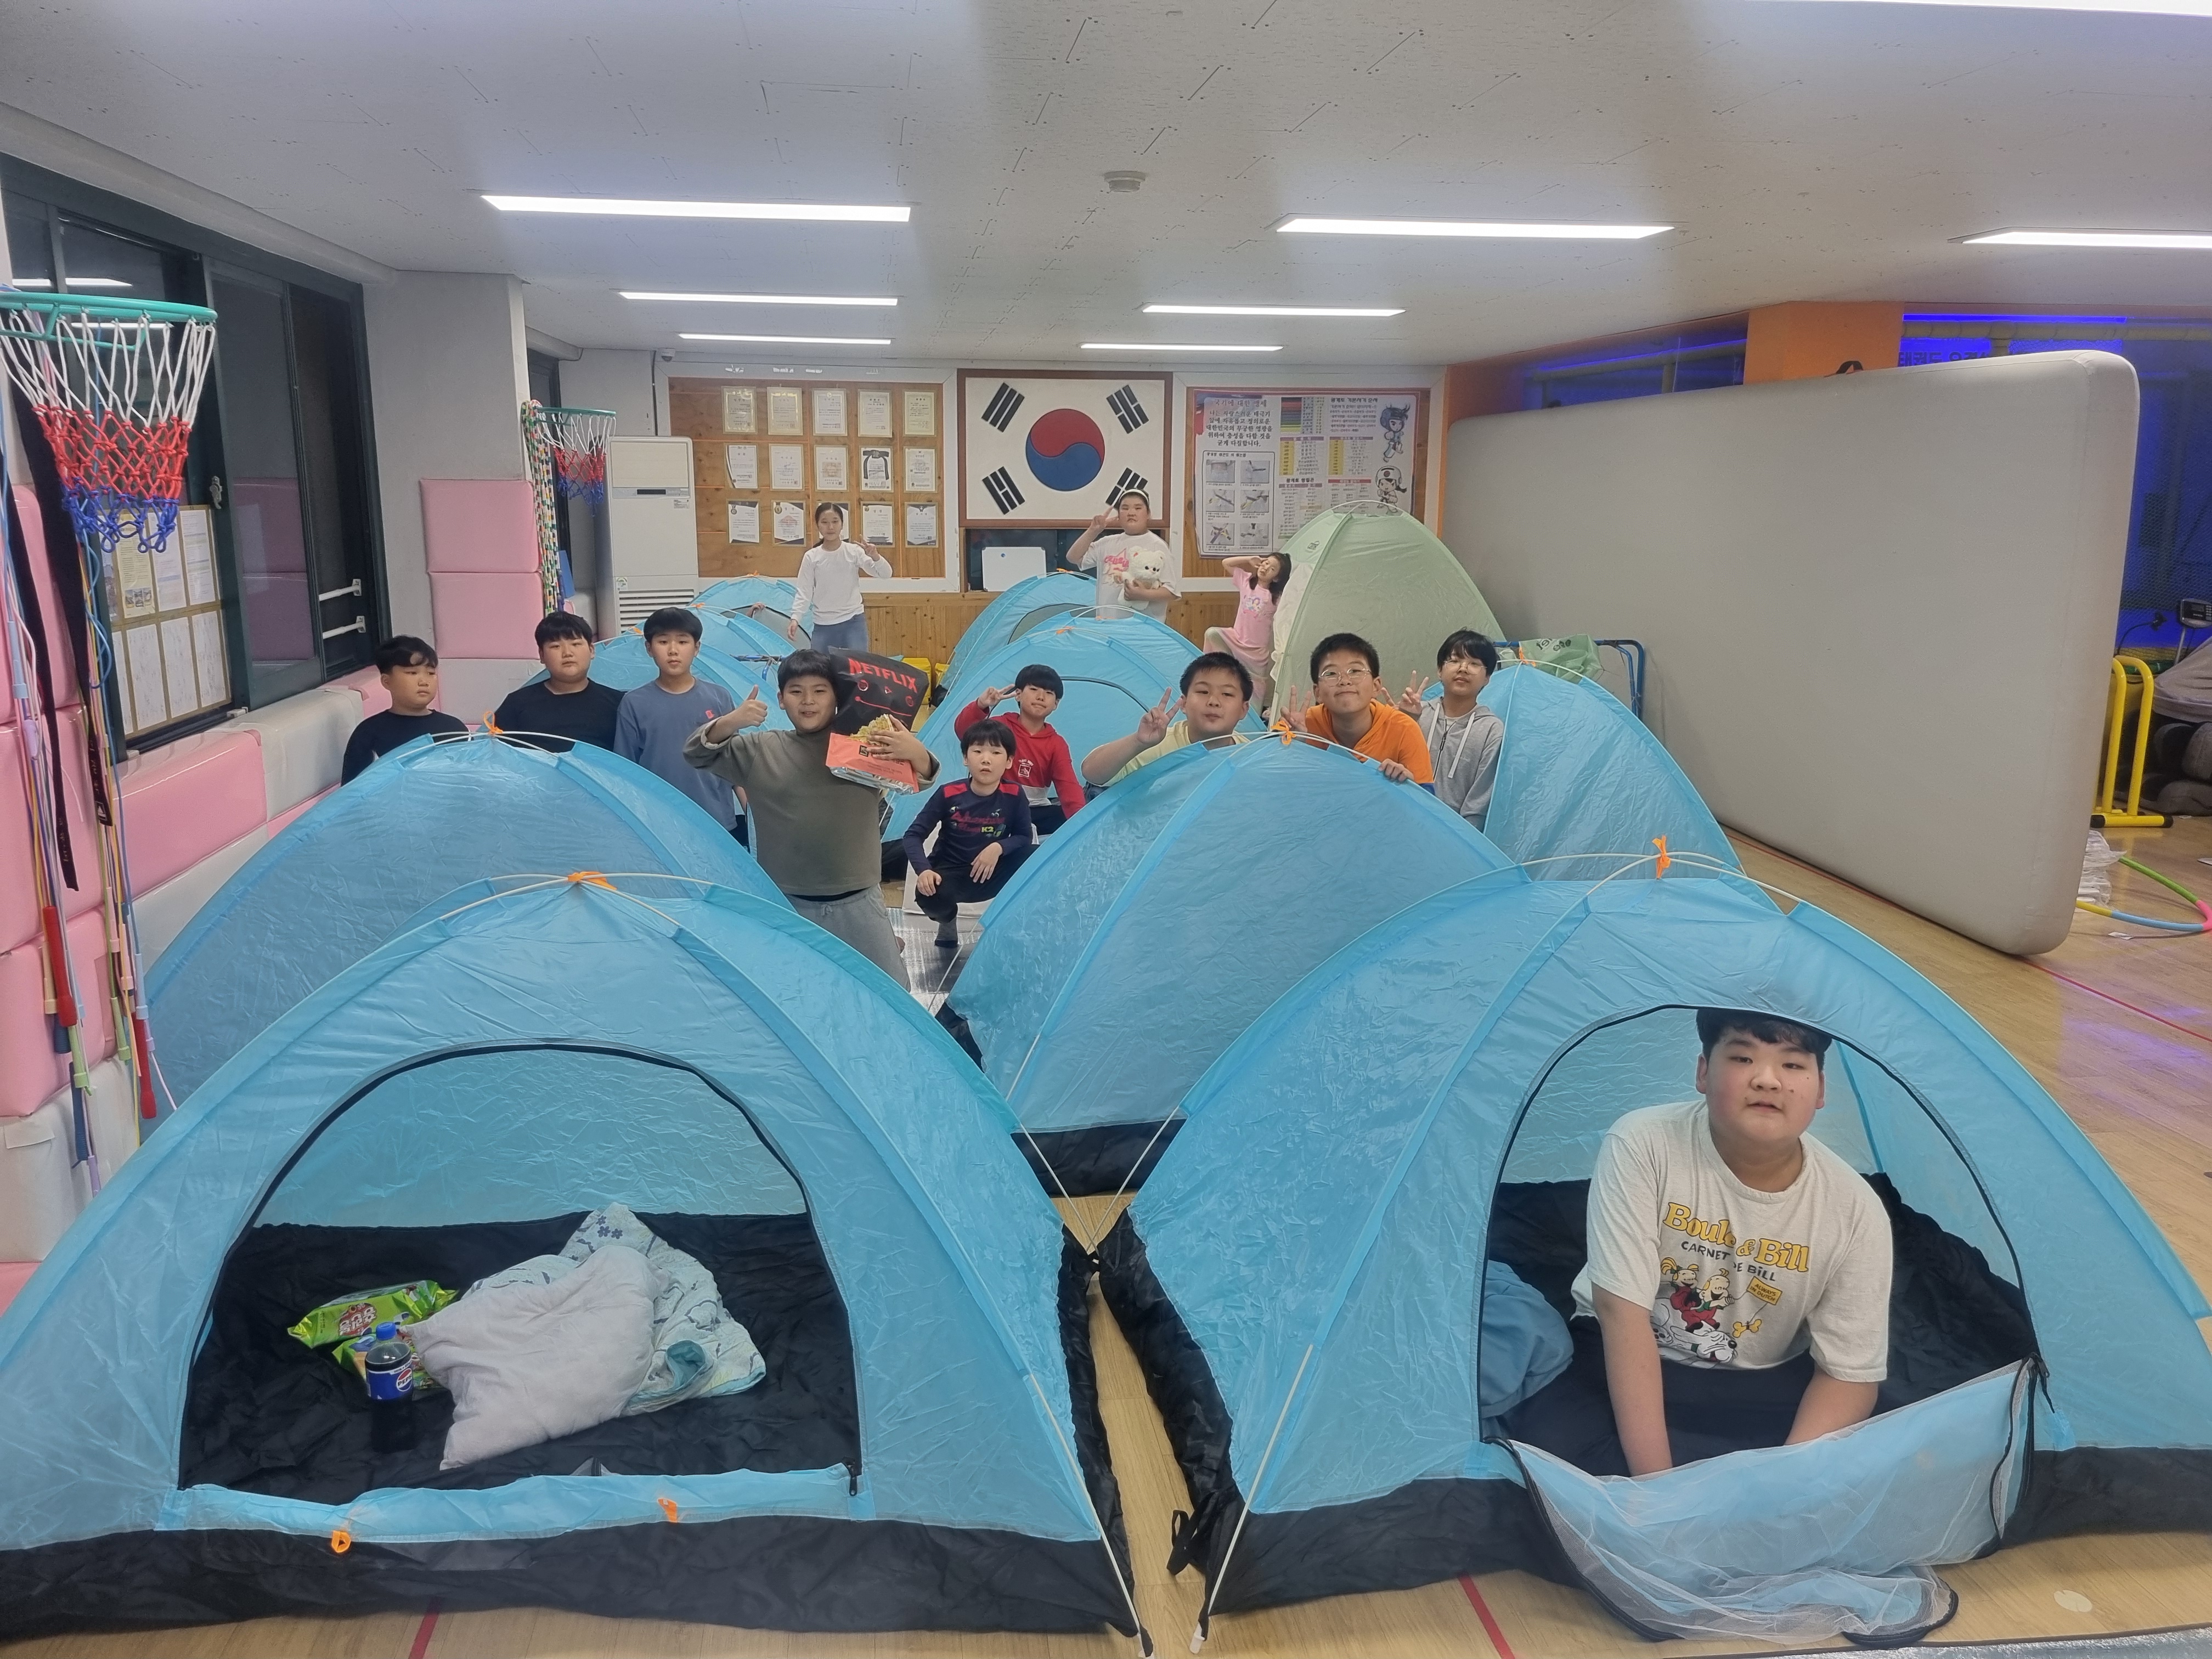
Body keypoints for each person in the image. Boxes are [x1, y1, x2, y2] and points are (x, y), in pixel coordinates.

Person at [1502, 1010, 1893, 1477]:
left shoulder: (1854, 1208)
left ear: (1821, 1090)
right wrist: (1655, 1490)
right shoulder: (1644, 1144)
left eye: (1793, 1065)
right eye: (1743, 1058)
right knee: (1547, 1457)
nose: (1767, 1080)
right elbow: (1622, 1316)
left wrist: (1780, 1489)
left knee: (1875, 1462)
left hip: (1760, 1381)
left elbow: (1849, 1374)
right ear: (1703, 1073)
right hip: (1624, 1358)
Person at [685, 648, 938, 981]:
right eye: (796, 692)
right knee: (796, 990)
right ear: (781, 699)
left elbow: (924, 776)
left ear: (838, 698)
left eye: (820, 691)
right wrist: (732, 721)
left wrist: (916, 751)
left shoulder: (860, 746)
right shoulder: (761, 749)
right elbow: (696, 753)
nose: (808, 701)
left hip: (859, 901)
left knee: (889, 990)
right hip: (788, 902)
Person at [901, 716, 1034, 949]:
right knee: (927, 895)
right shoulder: (949, 793)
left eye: (996, 753)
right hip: (951, 875)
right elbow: (913, 836)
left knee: (1037, 857)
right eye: (978, 751)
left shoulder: (1015, 794)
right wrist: (924, 871)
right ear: (965, 758)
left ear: (1009, 761)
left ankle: (1015, 925)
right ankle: (948, 921)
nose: (986, 759)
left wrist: (998, 848)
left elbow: (1024, 836)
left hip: (991, 871)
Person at [616, 608, 741, 839]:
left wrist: (752, 813)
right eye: (663, 642)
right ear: (649, 648)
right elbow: (625, 770)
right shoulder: (634, 703)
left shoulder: (719, 697)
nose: (673, 650)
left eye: (683, 642)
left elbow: (735, 763)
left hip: (715, 819)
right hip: (657, 822)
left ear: (697, 648)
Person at [1081, 652, 1255, 786]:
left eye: (1227, 694)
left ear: (1243, 709)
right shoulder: (1159, 745)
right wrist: (1138, 742)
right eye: (1203, 691)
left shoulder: (1250, 754)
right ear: (1184, 703)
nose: (1213, 702)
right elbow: (1091, 773)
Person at [1282, 633, 1432, 786]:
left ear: (1376, 686)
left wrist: (1408, 786)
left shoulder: (1404, 729)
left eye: (1355, 671)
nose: (1345, 681)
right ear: (1318, 692)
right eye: (1331, 674)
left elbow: (1427, 797)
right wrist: (1291, 748)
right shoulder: (1300, 726)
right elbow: (1274, 780)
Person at [953, 664, 1085, 833]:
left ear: (1056, 704)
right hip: (993, 803)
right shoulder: (1000, 727)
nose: (1041, 697)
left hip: (1033, 810)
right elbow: (965, 732)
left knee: (1065, 819)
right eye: (1034, 689)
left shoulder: (1057, 744)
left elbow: (1068, 787)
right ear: (1018, 694)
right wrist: (981, 705)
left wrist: (1081, 824)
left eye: (1049, 693)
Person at [1395, 629, 1505, 830]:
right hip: (1401, 818)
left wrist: (1460, 838)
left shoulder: (1491, 730)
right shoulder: (1417, 713)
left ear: (1487, 678)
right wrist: (1405, 721)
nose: (1463, 669)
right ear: (1440, 670)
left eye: (1474, 664)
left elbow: (1479, 802)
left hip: (1452, 832)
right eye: (1454, 661)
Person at [492, 611, 624, 753]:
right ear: (542, 655)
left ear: (592, 650)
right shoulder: (516, 704)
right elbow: (499, 758)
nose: (567, 653)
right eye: (556, 646)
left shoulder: (620, 704)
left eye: (576, 644)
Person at [341, 636, 465, 782]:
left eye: (431, 673)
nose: (424, 682)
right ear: (386, 681)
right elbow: (352, 791)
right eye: (412, 673)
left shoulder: (454, 729)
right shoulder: (368, 734)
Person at [789, 504, 892, 651]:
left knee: (856, 666)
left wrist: (875, 556)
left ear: (842, 524)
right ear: (818, 525)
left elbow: (886, 574)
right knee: (820, 666)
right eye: (825, 522)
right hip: (823, 625)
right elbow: (804, 591)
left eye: (835, 521)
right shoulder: (811, 557)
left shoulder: (854, 551)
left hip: (853, 622)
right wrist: (796, 618)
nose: (830, 527)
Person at [1068, 489, 1176, 620]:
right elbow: (1073, 557)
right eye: (1125, 508)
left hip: (1142, 627)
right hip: (1106, 623)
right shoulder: (1106, 543)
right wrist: (1093, 531)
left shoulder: (1158, 545)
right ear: (1118, 515)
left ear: (1148, 514)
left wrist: (1143, 595)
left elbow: (1172, 591)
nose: (1131, 513)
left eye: (1138, 508)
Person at [1203, 551, 1289, 712]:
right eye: (1266, 563)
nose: (1265, 568)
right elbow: (1226, 563)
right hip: (1236, 639)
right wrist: (1249, 559)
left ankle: (1253, 718)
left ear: (1277, 578)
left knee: (1253, 698)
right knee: (1212, 633)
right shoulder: (1247, 581)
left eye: (1272, 568)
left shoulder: (1276, 597)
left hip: (1256, 653)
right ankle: (1219, 668)